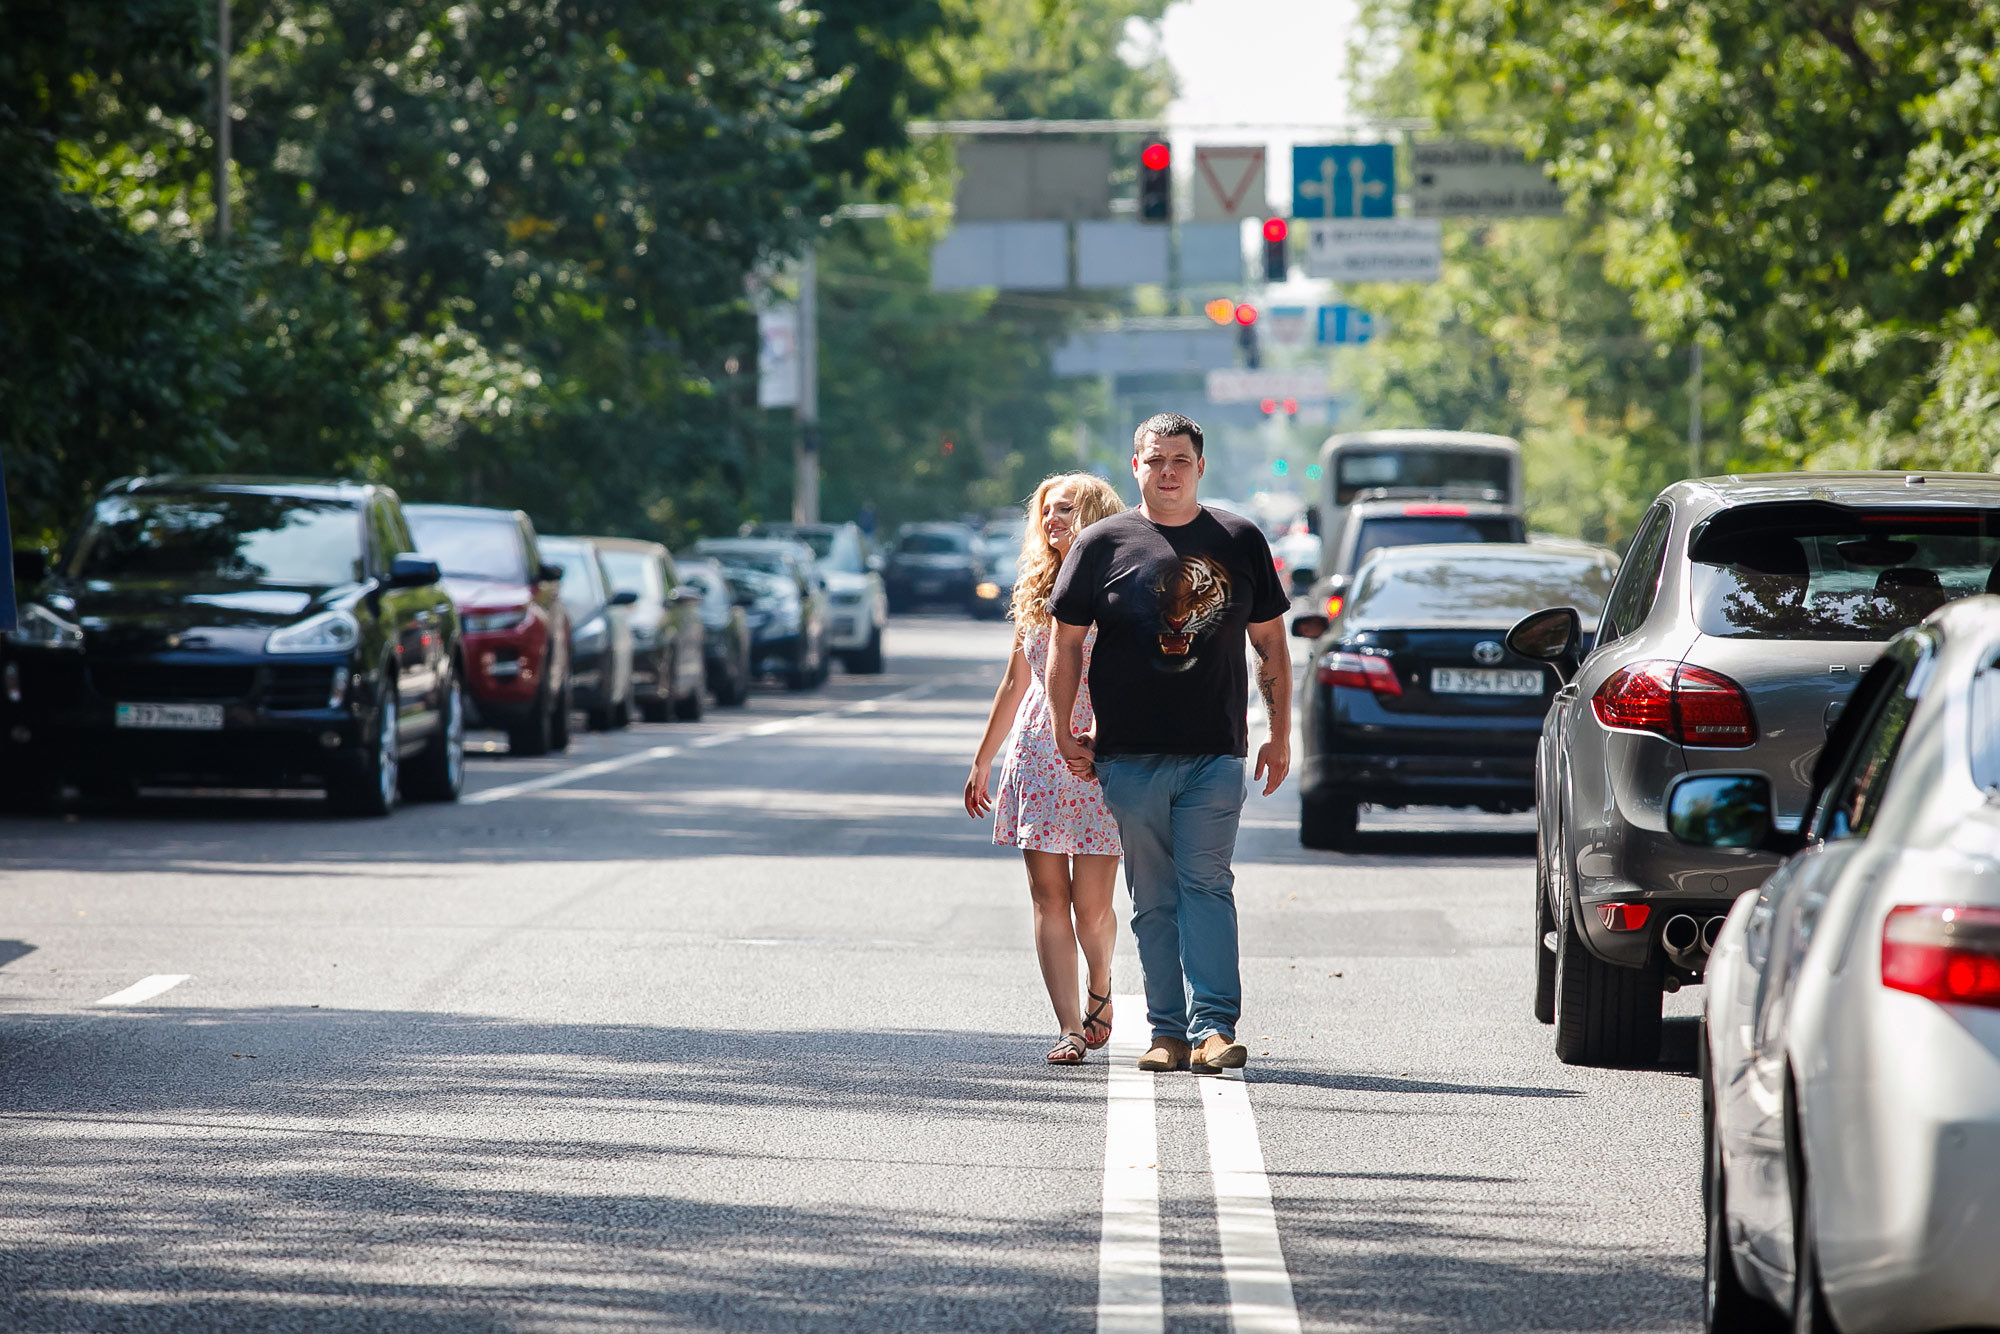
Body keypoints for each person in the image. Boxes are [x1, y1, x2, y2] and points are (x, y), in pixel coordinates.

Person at [1047, 413, 1291, 1075]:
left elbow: (1271, 644)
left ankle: (1215, 1026)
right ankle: (1167, 1032)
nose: (1168, 473)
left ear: (1200, 466)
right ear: (1136, 466)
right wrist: (1061, 725)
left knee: (1206, 884)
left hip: (1215, 749)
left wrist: (1279, 734)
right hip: (1127, 755)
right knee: (1153, 899)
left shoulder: (1238, 539)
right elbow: (1065, 644)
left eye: (1179, 460)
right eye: (1155, 461)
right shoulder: (1101, 545)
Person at [964, 473, 1128, 1065]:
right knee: (1046, 897)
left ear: (1095, 514)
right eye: (1047, 511)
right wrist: (984, 759)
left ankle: (1102, 984)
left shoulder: (1118, 583)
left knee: (1093, 906)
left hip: (1092, 753)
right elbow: (1016, 680)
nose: (1054, 519)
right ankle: (1068, 1028)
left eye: (1067, 509)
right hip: (1036, 756)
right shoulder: (1035, 587)